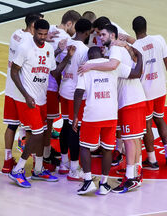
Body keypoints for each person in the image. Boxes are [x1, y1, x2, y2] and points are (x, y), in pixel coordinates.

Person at [8, 19, 76, 188]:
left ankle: (38, 170)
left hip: (41, 98)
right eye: (39, 34)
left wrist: (68, 56)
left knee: (43, 132)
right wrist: (25, 95)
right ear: (34, 31)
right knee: (37, 134)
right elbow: (14, 73)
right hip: (27, 99)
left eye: (45, 35)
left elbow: (55, 71)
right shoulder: (24, 47)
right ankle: (17, 169)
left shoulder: (47, 49)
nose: (42, 37)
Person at [77, 25, 144, 193]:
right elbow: (136, 71)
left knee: (128, 139)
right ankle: (131, 175)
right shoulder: (112, 55)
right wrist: (137, 52)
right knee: (131, 139)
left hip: (127, 101)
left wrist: (90, 66)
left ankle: (130, 177)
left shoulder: (113, 49)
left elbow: (113, 65)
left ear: (112, 35)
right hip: (116, 109)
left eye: (102, 34)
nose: (100, 37)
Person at [132, 16, 167, 169]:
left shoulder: (135, 46)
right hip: (160, 88)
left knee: (147, 125)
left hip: (145, 91)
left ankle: (152, 160)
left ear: (134, 29)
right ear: (146, 27)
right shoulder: (159, 39)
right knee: (160, 119)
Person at [2, 13, 42, 173]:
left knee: (11, 125)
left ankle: (7, 160)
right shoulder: (28, 43)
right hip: (23, 91)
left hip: (10, 88)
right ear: (33, 26)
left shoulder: (16, 34)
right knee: (33, 128)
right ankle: (32, 161)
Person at [45, 10, 82, 172]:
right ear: (69, 24)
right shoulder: (64, 39)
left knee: (48, 123)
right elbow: (57, 70)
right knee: (55, 124)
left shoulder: (50, 30)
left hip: (41, 84)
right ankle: (48, 158)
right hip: (55, 87)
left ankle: (51, 157)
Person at [57, 18, 92, 179]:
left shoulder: (66, 44)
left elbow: (58, 65)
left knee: (65, 125)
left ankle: (63, 163)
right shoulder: (85, 51)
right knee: (74, 129)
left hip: (64, 89)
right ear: (87, 33)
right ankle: (73, 168)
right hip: (76, 94)